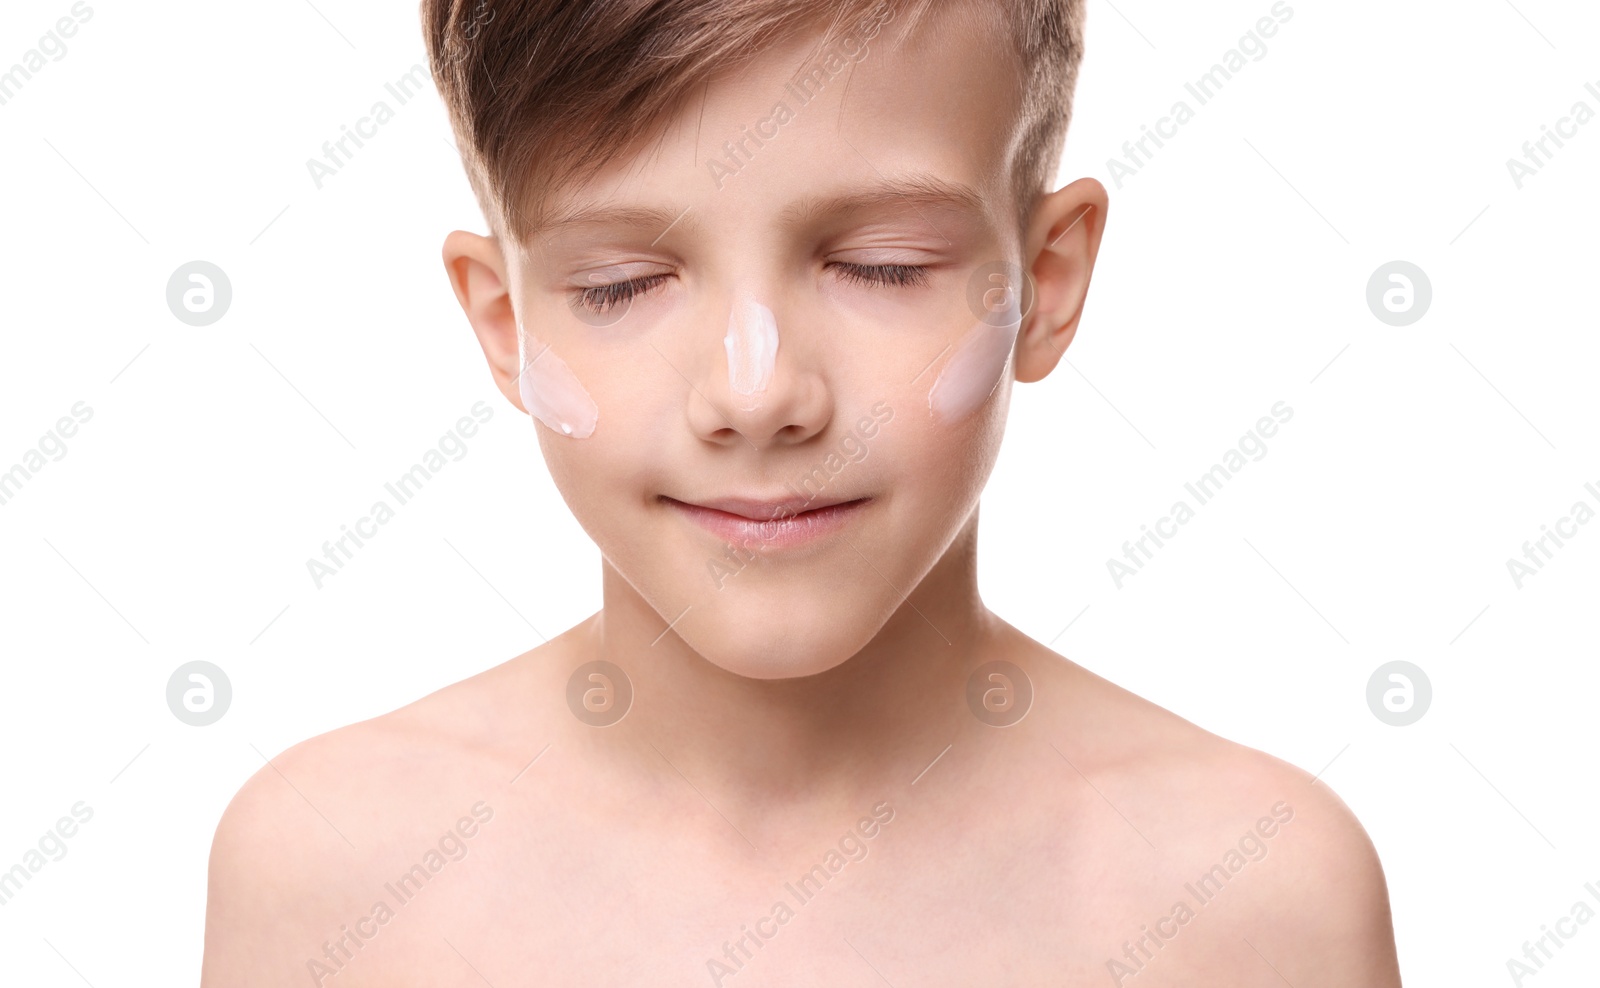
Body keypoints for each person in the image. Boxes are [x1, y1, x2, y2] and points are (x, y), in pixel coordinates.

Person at [203, 1, 1403, 984]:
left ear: (1043, 282)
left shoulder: (1252, 895)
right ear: (503, 321)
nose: (757, 390)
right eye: (621, 283)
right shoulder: (334, 871)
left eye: (881, 265)